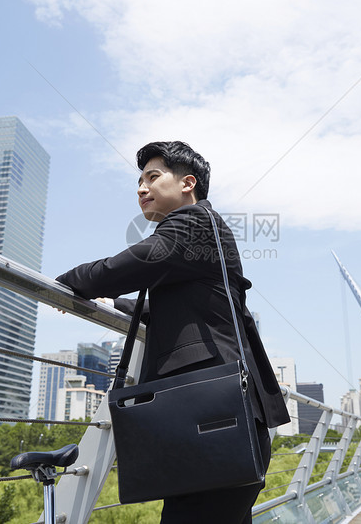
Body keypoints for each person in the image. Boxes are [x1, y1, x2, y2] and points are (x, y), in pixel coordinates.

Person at [56, 141, 290, 524]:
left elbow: (124, 267)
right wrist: (119, 306)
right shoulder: (206, 230)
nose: (141, 188)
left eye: (153, 176)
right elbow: (189, 307)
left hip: (215, 424)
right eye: (139, 181)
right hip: (223, 423)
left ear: (187, 183)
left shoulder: (193, 222)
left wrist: (68, 283)